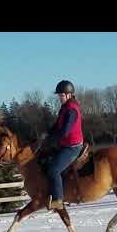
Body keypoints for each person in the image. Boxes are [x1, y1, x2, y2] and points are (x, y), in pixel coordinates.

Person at [44, 80, 84, 210]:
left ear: (69, 95)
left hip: (72, 147)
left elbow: (65, 131)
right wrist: (47, 134)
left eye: (61, 95)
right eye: (59, 95)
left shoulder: (71, 109)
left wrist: (52, 139)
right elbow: (57, 126)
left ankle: (58, 199)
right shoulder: (65, 108)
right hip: (65, 144)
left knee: (53, 170)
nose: (59, 98)